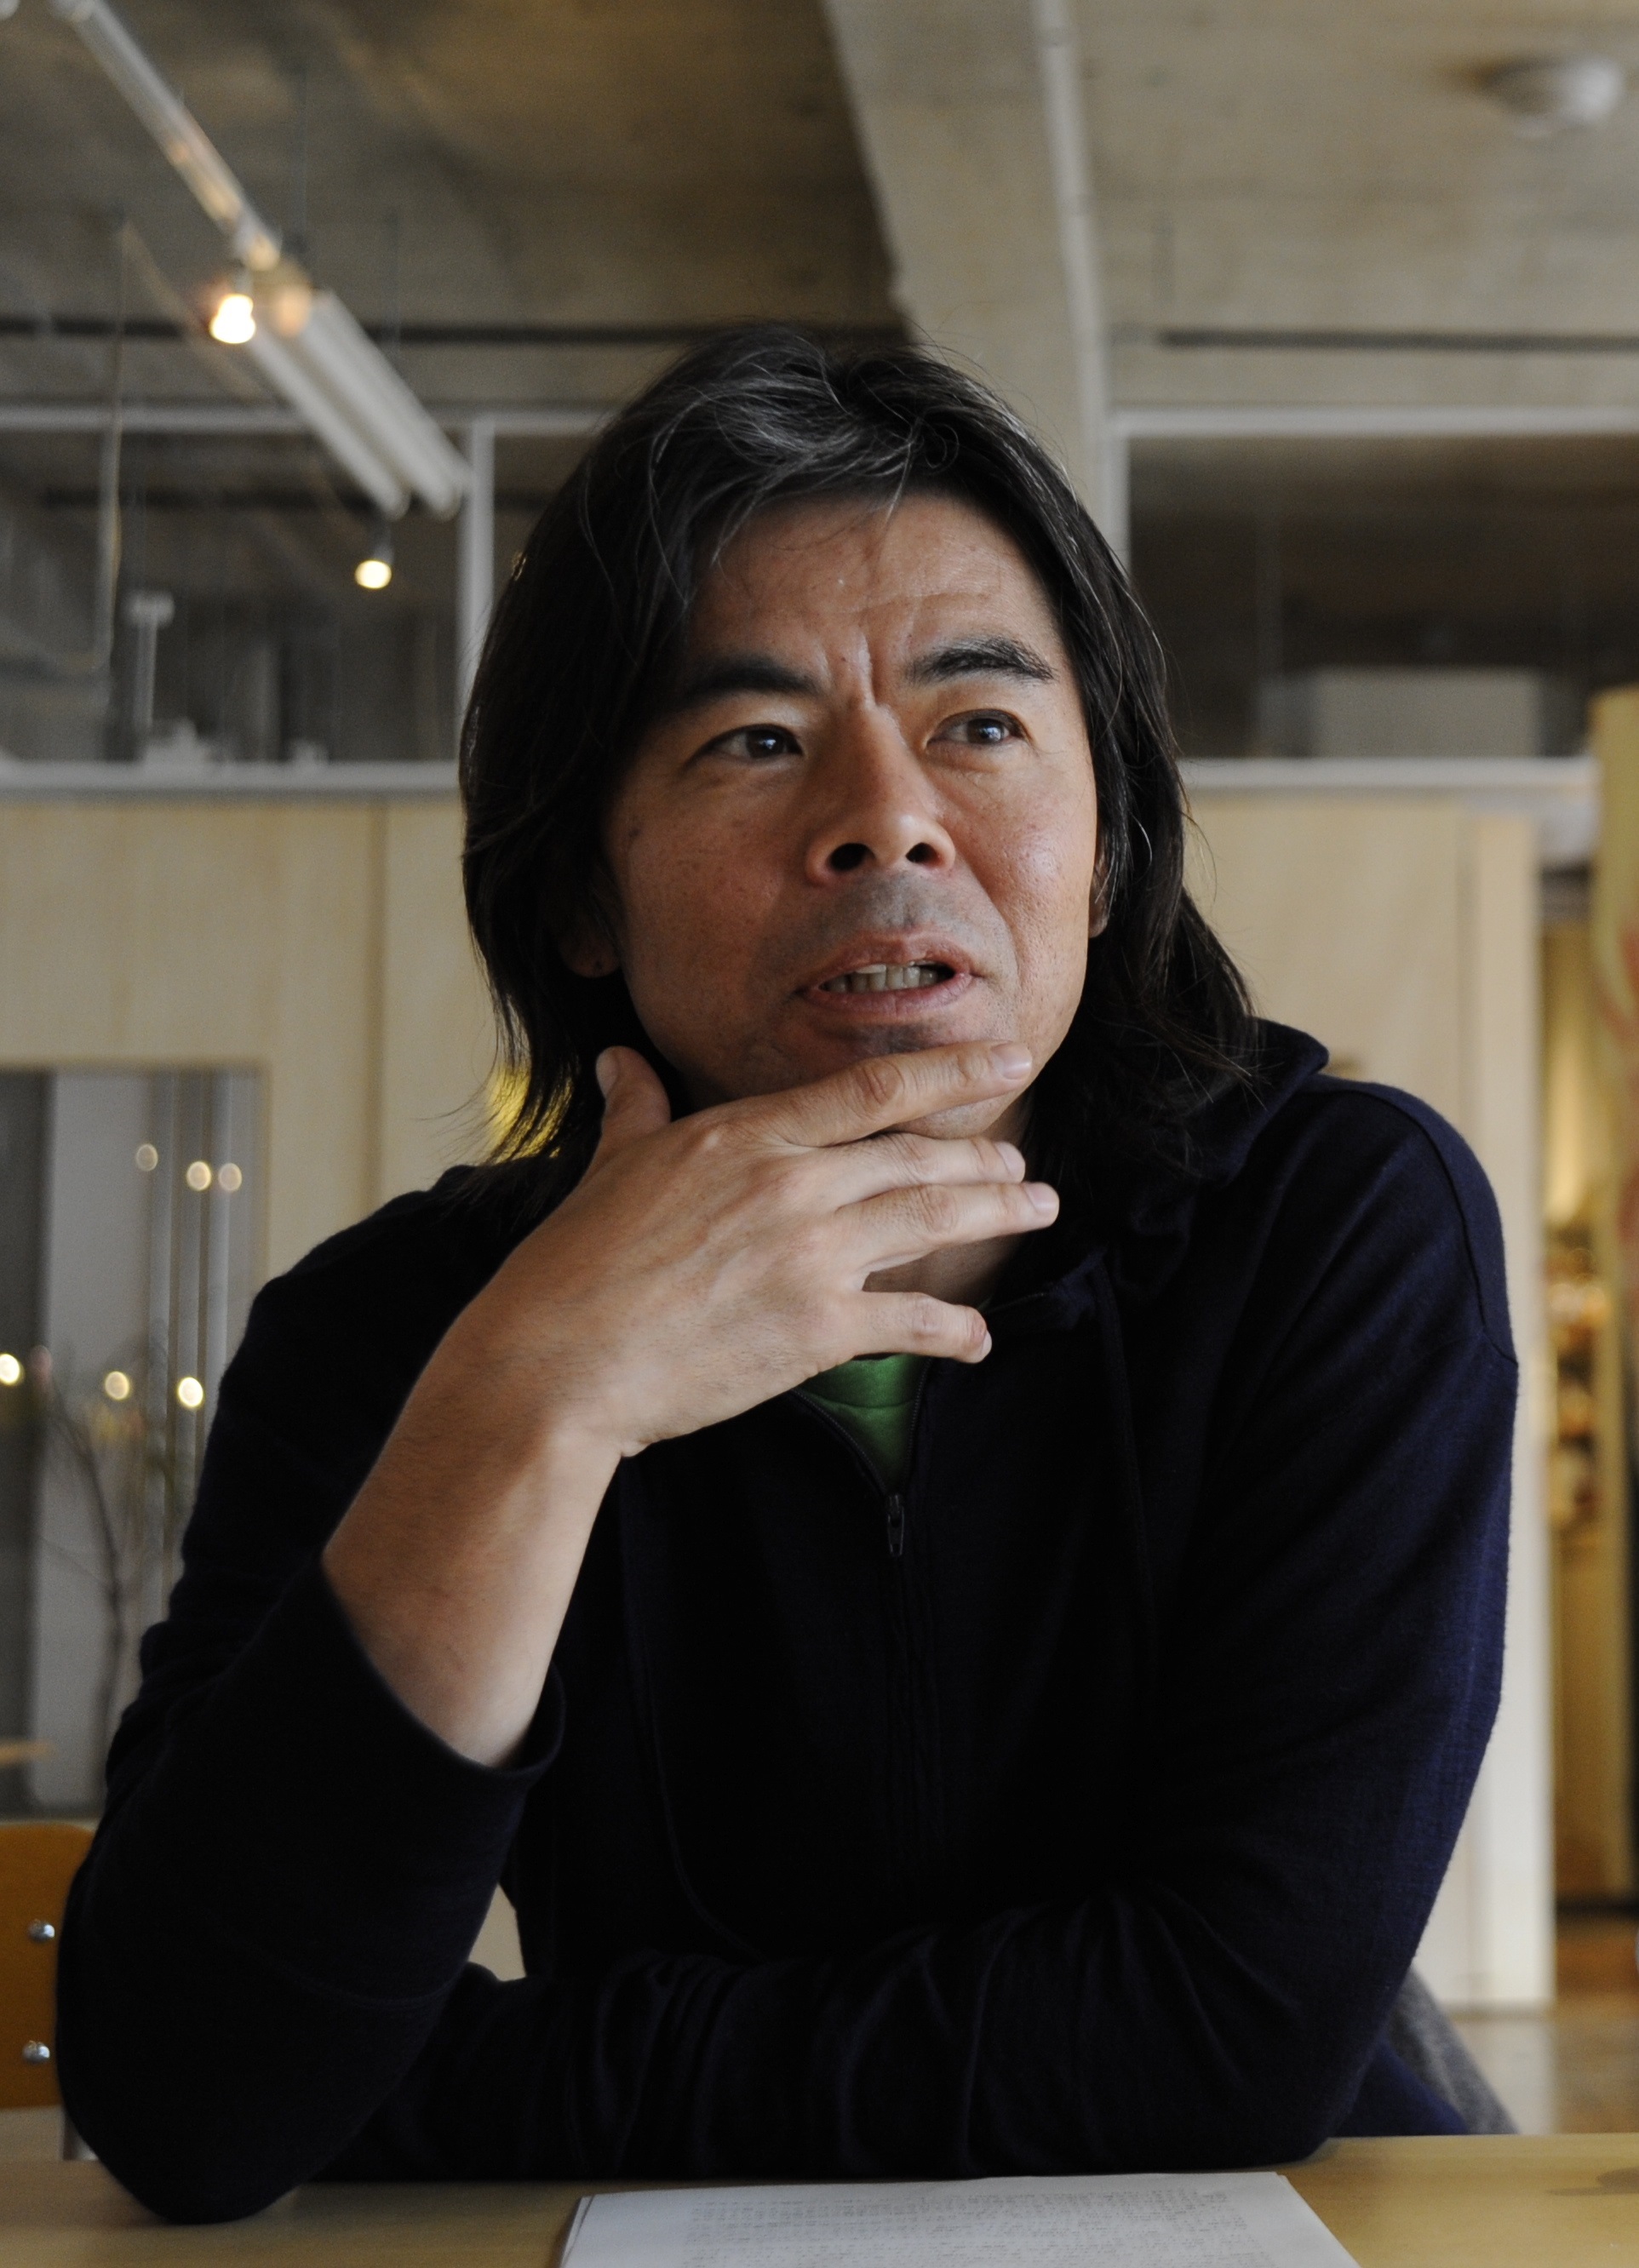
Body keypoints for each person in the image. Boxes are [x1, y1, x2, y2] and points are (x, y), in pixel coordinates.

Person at [58, 329, 1516, 2223]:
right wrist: (533, 1406)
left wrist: (443, 2089)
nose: (886, 818)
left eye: (979, 724)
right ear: (580, 893)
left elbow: (1232, 2032)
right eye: (754, 739)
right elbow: (191, 2093)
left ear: (1105, 852)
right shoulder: (397, 1336)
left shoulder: (1334, 1228)